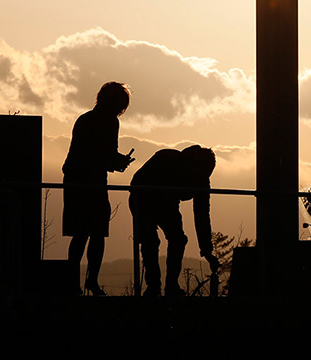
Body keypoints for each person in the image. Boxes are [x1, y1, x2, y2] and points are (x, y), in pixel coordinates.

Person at [62, 81, 134, 295]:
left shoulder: (89, 119)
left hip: (82, 179)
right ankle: (86, 282)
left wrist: (115, 161)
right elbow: (102, 155)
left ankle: (78, 283)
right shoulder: (105, 122)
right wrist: (118, 162)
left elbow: (100, 154)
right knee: (91, 233)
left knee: (85, 234)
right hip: (87, 180)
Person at [129, 145, 219, 296]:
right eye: (196, 172)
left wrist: (207, 250)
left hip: (168, 205)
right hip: (142, 199)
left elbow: (202, 215)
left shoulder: (202, 181)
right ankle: (153, 287)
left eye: (203, 174)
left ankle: (171, 286)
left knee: (178, 239)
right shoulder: (166, 158)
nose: (198, 176)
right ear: (190, 163)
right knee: (150, 241)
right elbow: (136, 183)